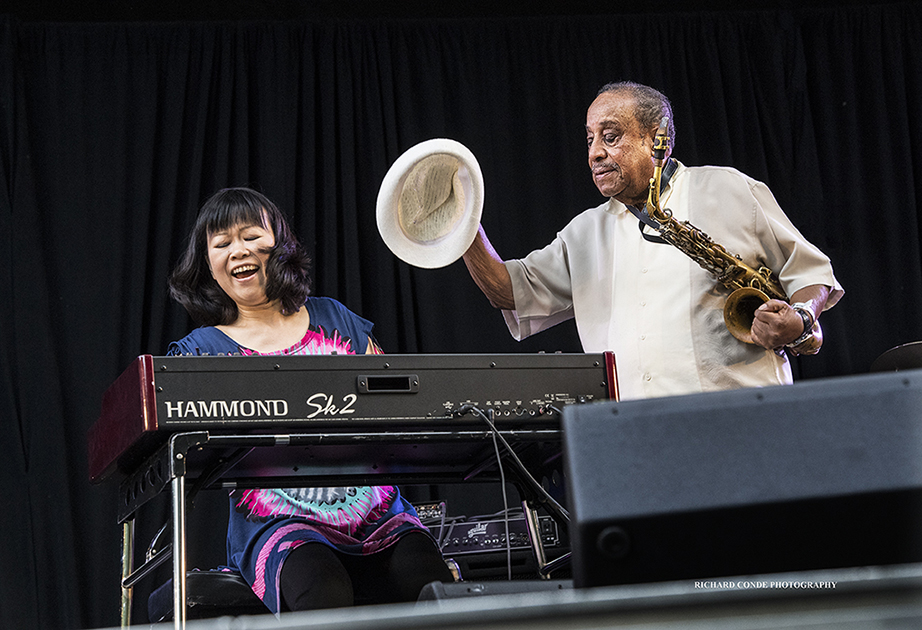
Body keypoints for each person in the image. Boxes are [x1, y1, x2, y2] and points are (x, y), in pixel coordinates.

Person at [167, 187, 452, 614]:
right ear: (207, 264)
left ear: (279, 244)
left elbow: (398, 404)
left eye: (250, 236)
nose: (237, 251)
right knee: (322, 590)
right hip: (280, 526)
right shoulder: (200, 352)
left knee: (429, 582)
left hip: (380, 516)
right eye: (221, 244)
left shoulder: (335, 319)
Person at [462, 81, 843, 400]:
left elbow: (811, 271)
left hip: (743, 420)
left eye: (610, 137)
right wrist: (460, 222)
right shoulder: (583, 232)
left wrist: (802, 317)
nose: (595, 152)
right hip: (635, 439)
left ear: (657, 138)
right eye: (590, 138)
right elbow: (506, 291)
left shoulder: (729, 188)